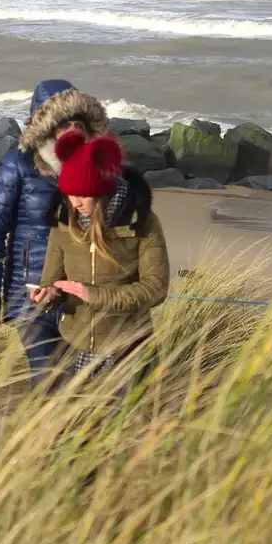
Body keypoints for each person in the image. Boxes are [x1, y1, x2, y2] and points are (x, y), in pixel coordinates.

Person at [0, 81, 109, 383]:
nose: (72, 128)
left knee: (82, 382)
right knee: (48, 379)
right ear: (44, 121)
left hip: (78, 293)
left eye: (77, 121)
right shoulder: (17, 163)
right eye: (64, 121)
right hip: (30, 292)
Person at [31, 131, 169, 389]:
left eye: (83, 195)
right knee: (70, 424)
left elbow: (156, 288)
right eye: (70, 195)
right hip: (74, 344)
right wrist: (48, 295)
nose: (75, 203)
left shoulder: (142, 222)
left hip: (128, 345)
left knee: (126, 425)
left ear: (102, 192)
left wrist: (96, 295)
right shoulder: (63, 221)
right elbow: (52, 280)